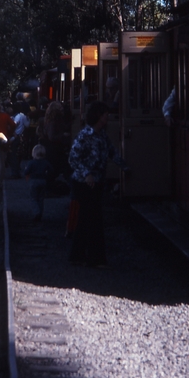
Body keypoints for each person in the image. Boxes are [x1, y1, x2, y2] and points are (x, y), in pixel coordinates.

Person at [67, 101, 129, 267]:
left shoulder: (101, 135)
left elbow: (111, 152)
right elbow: (73, 158)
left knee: (89, 219)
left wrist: (125, 167)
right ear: (98, 116)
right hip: (84, 183)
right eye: (105, 114)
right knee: (90, 219)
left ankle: (82, 256)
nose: (108, 116)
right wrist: (86, 173)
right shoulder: (85, 135)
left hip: (96, 181)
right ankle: (91, 257)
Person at [24, 144, 54, 222]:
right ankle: (40, 213)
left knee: (33, 198)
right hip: (43, 181)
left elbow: (26, 172)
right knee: (41, 198)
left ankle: (36, 212)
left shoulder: (31, 163)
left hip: (34, 181)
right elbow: (51, 170)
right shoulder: (45, 162)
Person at [9, 102, 30, 178]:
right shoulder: (22, 116)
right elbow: (27, 125)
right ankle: (16, 171)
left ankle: (15, 172)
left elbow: (13, 125)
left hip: (16, 136)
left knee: (14, 155)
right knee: (17, 155)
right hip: (20, 136)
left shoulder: (18, 116)